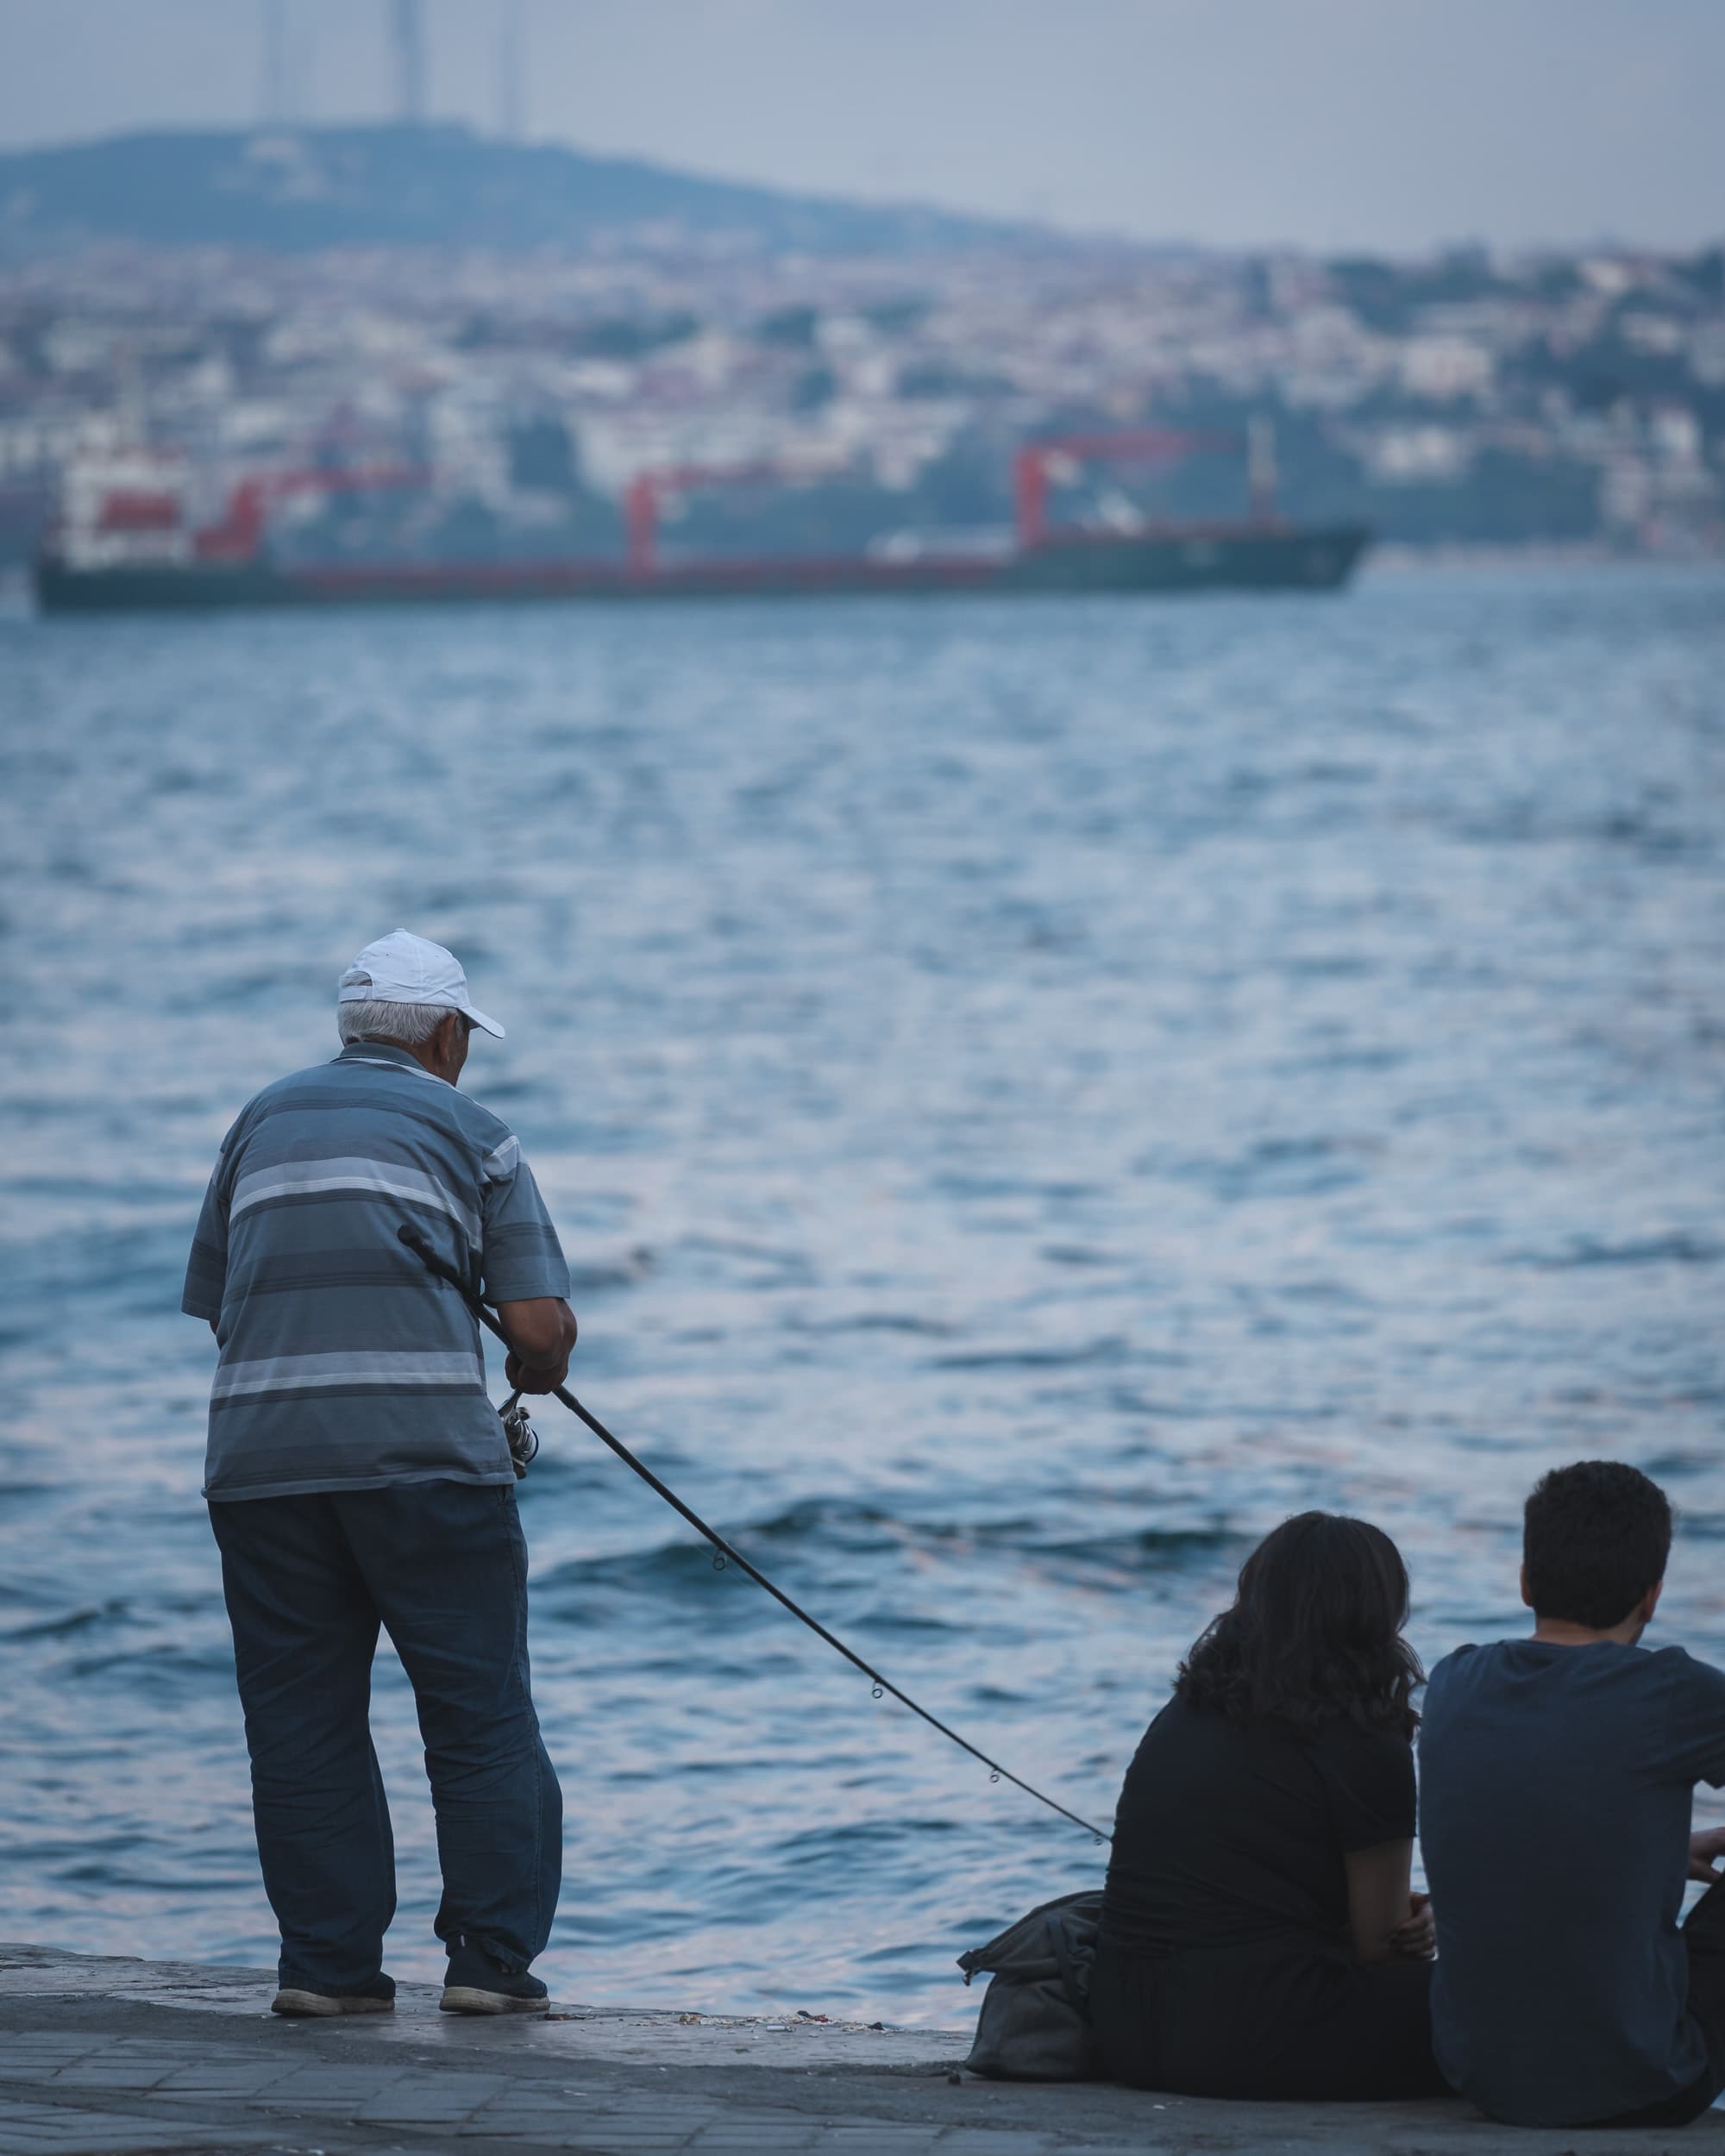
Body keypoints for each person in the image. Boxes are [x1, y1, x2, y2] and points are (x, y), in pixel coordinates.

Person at [181, 930, 577, 2020]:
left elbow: (224, 1308)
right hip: (428, 1471)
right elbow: (538, 1333)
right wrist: (537, 1362)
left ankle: (324, 1968)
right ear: (447, 1034)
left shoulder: (256, 1123)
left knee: (301, 1724)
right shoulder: (475, 1131)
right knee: (479, 1717)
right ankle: (491, 1968)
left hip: (261, 1465)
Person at [1088, 1512, 1445, 2100]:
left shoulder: (1183, 1713)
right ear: (1377, 1613)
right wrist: (1413, 1928)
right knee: (1491, 2003)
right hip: (1253, 2040)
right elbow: (1378, 1946)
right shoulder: (1366, 1742)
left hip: (1125, 2029)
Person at [1420, 1461, 1725, 2128]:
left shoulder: (1452, 1683)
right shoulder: (1677, 1694)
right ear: (1652, 1596)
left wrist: (1655, 1852)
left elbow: (1537, 1808)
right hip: (1644, 2080)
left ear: (1526, 1581)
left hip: (1481, 2074)